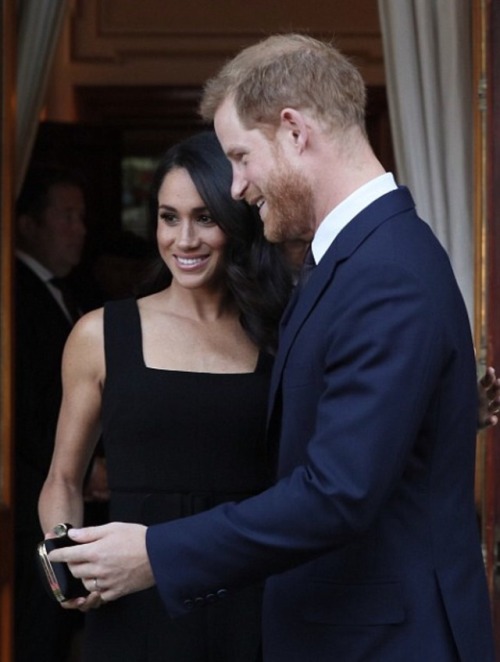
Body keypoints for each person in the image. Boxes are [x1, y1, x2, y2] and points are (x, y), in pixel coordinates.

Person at [48, 34, 498, 661]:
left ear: (293, 131)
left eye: (239, 156)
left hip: (381, 640)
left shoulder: (384, 269)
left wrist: (155, 552)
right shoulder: (351, 258)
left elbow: (337, 493)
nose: (236, 187)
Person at [38, 131, 292, 661]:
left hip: (252, 601)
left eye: (205, 217)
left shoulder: (280, 335)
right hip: (133, 610)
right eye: (168, 217)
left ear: (237, 219)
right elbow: (64, 476)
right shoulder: (99, 334)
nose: (184, 239)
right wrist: (65, 564)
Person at [14, 165, 89, 662]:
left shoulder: (68, 293)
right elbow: (21, 409)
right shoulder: (14, 295)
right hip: (23, 499)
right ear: (29, 225)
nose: (80, 229)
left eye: (81, 217)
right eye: (67, 216)